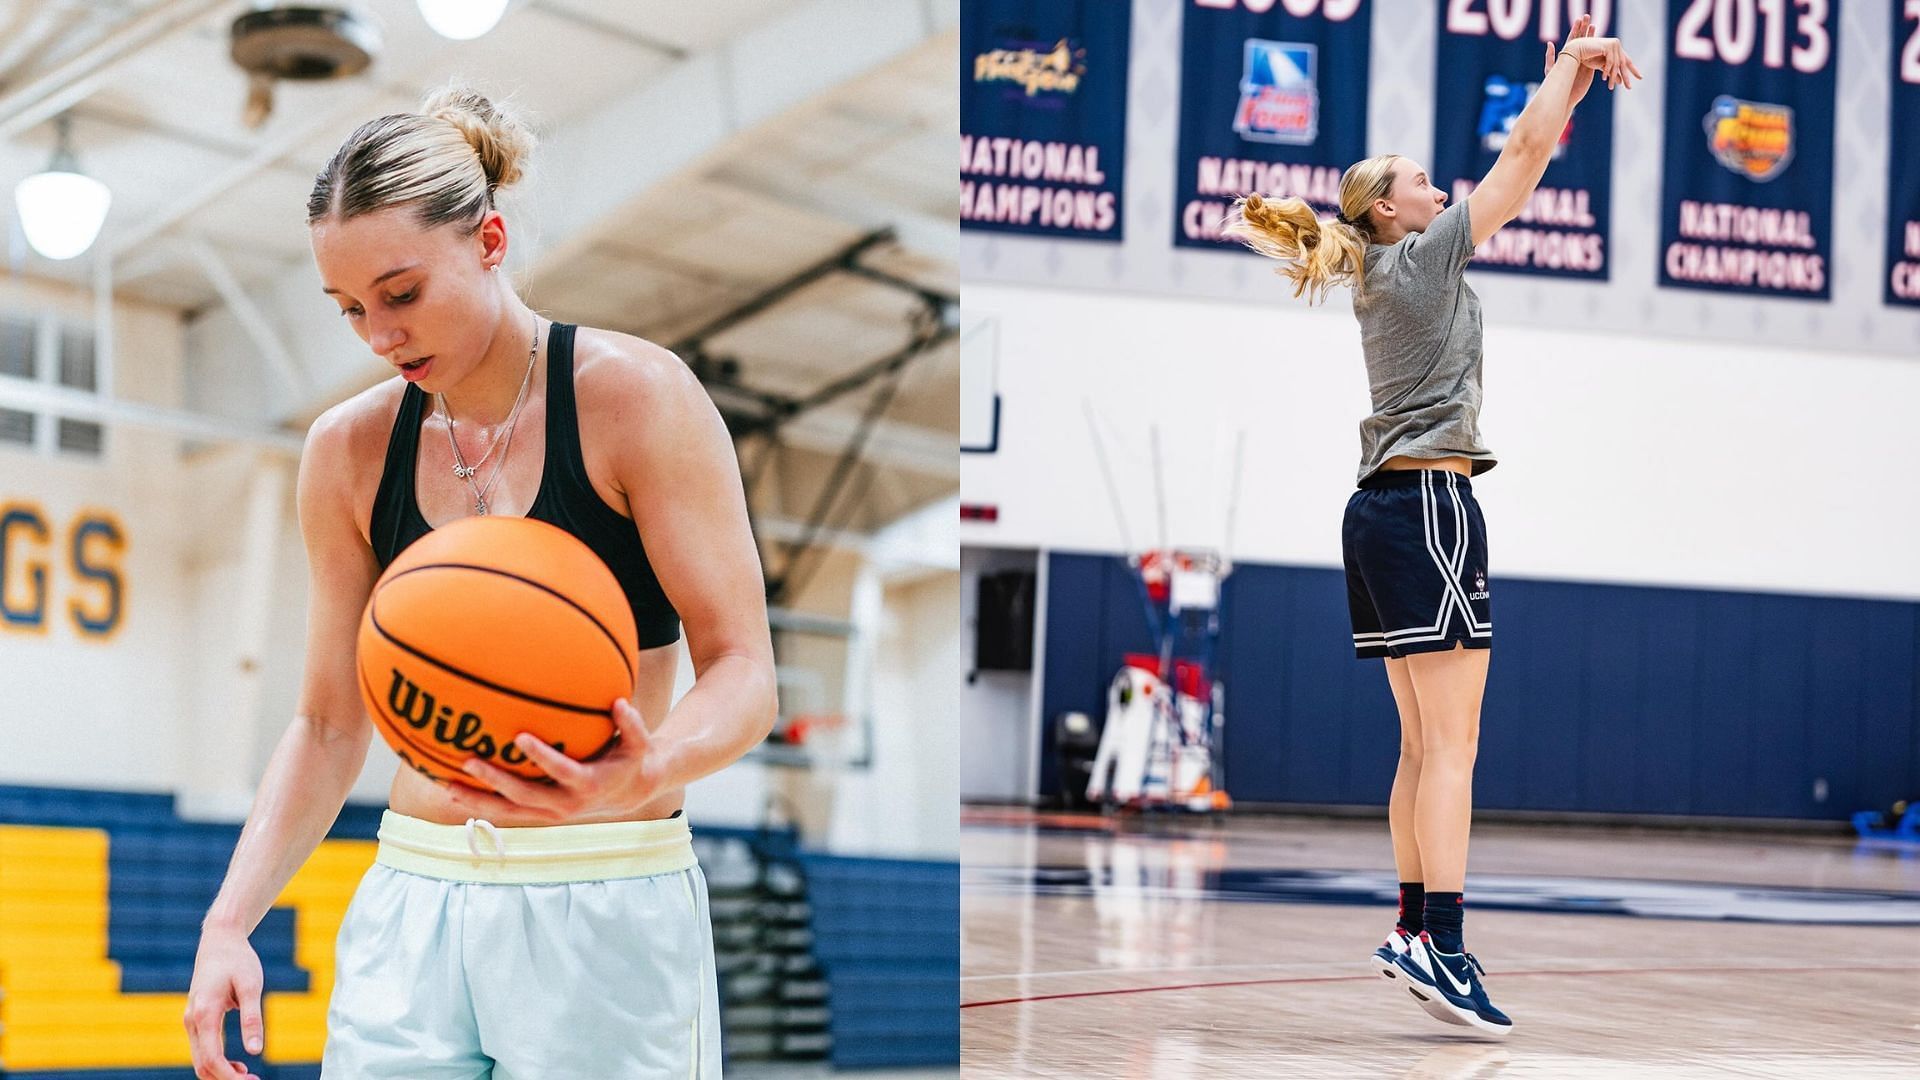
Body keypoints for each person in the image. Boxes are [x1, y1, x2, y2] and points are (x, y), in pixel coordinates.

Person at [182, 84, 777, 1078]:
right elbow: (330, 724)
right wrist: (228, 923)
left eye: (402, 293)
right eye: (350, 309)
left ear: (490, 241)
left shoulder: (637, 400)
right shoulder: (346, 454)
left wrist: (653, 767)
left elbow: (746, 669)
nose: (378, 334)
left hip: (602, 896)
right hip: (413, 896)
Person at [1223, 19, 1640, 1035]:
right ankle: (1444, 947)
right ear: (1385, 209)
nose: (1436, 184)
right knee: (1454, 746)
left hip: (1377, 515)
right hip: (1430, 508)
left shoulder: (1382, 271)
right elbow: (1525, 158)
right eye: (1416, 177)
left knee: (1420, 745)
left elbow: (1535, 143)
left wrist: (1568, 84)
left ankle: (1415, 927)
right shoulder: (1415, 259)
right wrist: (1580, 58)